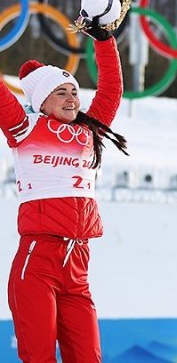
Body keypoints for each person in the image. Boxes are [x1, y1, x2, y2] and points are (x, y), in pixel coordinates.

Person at [0, 18, 127, 362]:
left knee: (88, 356)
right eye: (61, 92)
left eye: (74, 91)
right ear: (42, 100)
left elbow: (112, 89)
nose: (72, 98)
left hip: (78, 264)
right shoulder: (23, 127)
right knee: (39, 356)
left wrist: (103, 39)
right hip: (37, 262)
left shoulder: (91, 131)